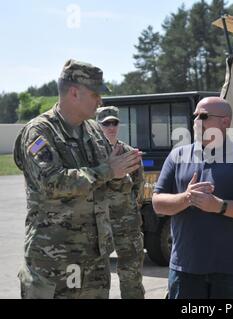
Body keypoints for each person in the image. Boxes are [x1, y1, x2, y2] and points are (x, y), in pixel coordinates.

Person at [13, 59, 142, 299]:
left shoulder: (93, 131)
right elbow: (52, 183)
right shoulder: (39, 132)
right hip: (53, 263)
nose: (100, 101)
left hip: (94, 262)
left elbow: (110, 182)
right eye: (95, 94)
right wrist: (107, 171)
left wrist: (123, 170)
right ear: (74, 93)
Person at [152, 96, 233, 299]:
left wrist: (220, 206)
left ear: (225, 122)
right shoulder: (177, 156)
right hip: (185, 270)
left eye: (204, 116)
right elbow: (158, 204)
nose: (197, 120)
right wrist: (187, 198)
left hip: (231, 271)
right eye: (195, 115)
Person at [96, 106, 145, 299]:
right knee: (96, 277)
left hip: (126, 222)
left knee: (131, 274)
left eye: (114, 123)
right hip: (99, 223)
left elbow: (138, 189)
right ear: (97, 125)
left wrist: (129, 209)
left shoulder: (130, 153)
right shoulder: (90, 155)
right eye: (106, 123)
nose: (111, 127)